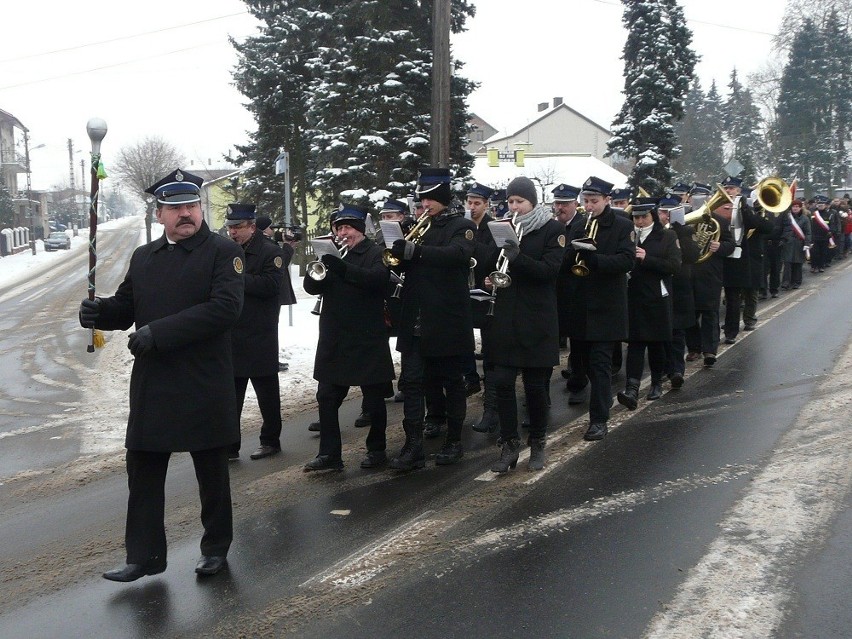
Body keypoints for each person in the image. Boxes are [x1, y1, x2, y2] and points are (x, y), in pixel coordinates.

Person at [79, 168, 244, 581]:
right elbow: (127, 305)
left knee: (211, 470)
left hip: (203, 379)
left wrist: (159, 333)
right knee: (144, 467)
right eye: (175, 208)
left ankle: (215, 548)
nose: (185, 214)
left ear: (200, 209)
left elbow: (224, 309)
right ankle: (145, 555)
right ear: (159, 214)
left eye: (191, 206)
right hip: (155, 382)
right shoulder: (145, 257)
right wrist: (101, 312)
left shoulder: (223, 252)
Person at [388, 167, 476, 469]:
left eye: (429, 200)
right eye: (421, 200)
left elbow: (457, 254)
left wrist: (416, 251)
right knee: (412, 382)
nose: (424, 205)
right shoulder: (417, 226)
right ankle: (413, 445)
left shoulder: (461, 225)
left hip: (446, 318)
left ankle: (453, 442)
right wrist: (399, 257)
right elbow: (406, 268)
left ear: (441, 198)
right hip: (415, 318)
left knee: (451, 382)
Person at [302, 205, 395, 471]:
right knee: (327, 396)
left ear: (360, 231)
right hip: (335, 336)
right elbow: (311, 287)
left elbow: (378, 280)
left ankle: (377, 450)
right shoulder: (331, 256)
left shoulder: (376, 253)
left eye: (348, 228)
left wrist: (341, 268)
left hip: (367, 336)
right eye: (339, 228)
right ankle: (330, 455)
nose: (343, 233)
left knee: (374, 399)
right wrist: (316, 271)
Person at [484, 176, 565, 472]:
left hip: (537, 318)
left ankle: (538, 443)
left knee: (535, 388)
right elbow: (493, 264)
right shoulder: (506, 228)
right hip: (508, 318)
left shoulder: (552, 229)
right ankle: (508, 445)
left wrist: (517, 258)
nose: (514, 207)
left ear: (532, 201)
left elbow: (549, 271)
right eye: (511, 202)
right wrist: (492, 274)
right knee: (503, 382)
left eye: (520, 201)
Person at [562, 176, 635, 441]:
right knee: (581, 362)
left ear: (607, 200)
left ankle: (599, 419)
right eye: (586, 201)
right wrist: (572, 251)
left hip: (607, 306)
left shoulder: (622, 225)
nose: (589, 206)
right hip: (581, 305)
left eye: (594, 201)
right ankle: (581, 392)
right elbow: (566, 261)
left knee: (600, 366)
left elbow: (627, 261)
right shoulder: (580, 224)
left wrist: (595, 259)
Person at [225, 204, 285, 461]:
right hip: (233, 334)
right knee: (231, 397)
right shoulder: (229, 252)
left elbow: (272, 285)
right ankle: (229, 445)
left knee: (267, 395)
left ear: (252, 226)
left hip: (260, 333)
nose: (232, 232)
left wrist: (237, 280)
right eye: (229, 227)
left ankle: (270, 441)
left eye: (237, 227)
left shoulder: (271, 252)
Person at [616, 199, 681, 409]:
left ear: (652, 216)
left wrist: (647, 258)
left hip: (656, 297)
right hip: (633, 296)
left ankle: (656, 382)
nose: (640, 221)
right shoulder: (628, 235)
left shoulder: (667, 236)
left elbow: (674, 265)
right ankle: (632, 388)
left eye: (644, 217)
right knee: (634, 345)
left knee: (655, 343)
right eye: (636, 217)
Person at [685, 197, 735, 367]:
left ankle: (709, 350)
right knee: (690, 313)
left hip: (710, 273)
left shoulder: (719, 221)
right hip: (689, 272)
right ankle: (694, 348)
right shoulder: (685, 219)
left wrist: (720, 246)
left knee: (710, 313)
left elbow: (731, 245)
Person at [658, 196, 700, 389]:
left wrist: (680, 232)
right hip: (660, 285)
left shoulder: (687, 231)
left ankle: (676, 370)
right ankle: (664, 368)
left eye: (669, 213)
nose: (665, 216)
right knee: (662, 331)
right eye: (662, 212)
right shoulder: (654, 233)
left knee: (677, 331)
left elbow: (693, 256)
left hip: (680, 286)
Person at [552, 183, 586, 397]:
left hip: (576, 289)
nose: (560, 208)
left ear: (575, 204)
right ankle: (574, 370)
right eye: (557, 203)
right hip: (558, 289)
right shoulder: (554, 226)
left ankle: (579, 380)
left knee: (578, 338)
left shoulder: (581, 226)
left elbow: (569, 256)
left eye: (564, 203)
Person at [781, 199, 811, 289]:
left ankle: (796, 282)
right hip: (788, 243)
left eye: (797, 207)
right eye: (794, 206)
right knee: (787, 264)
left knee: (797, 264)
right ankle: (786, 282)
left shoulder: (805, 218)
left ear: (800, 207)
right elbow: (782, 228)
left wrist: (807, 243)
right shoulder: (787, 216)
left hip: (799, 243)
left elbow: (808, 232)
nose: (795, 208)